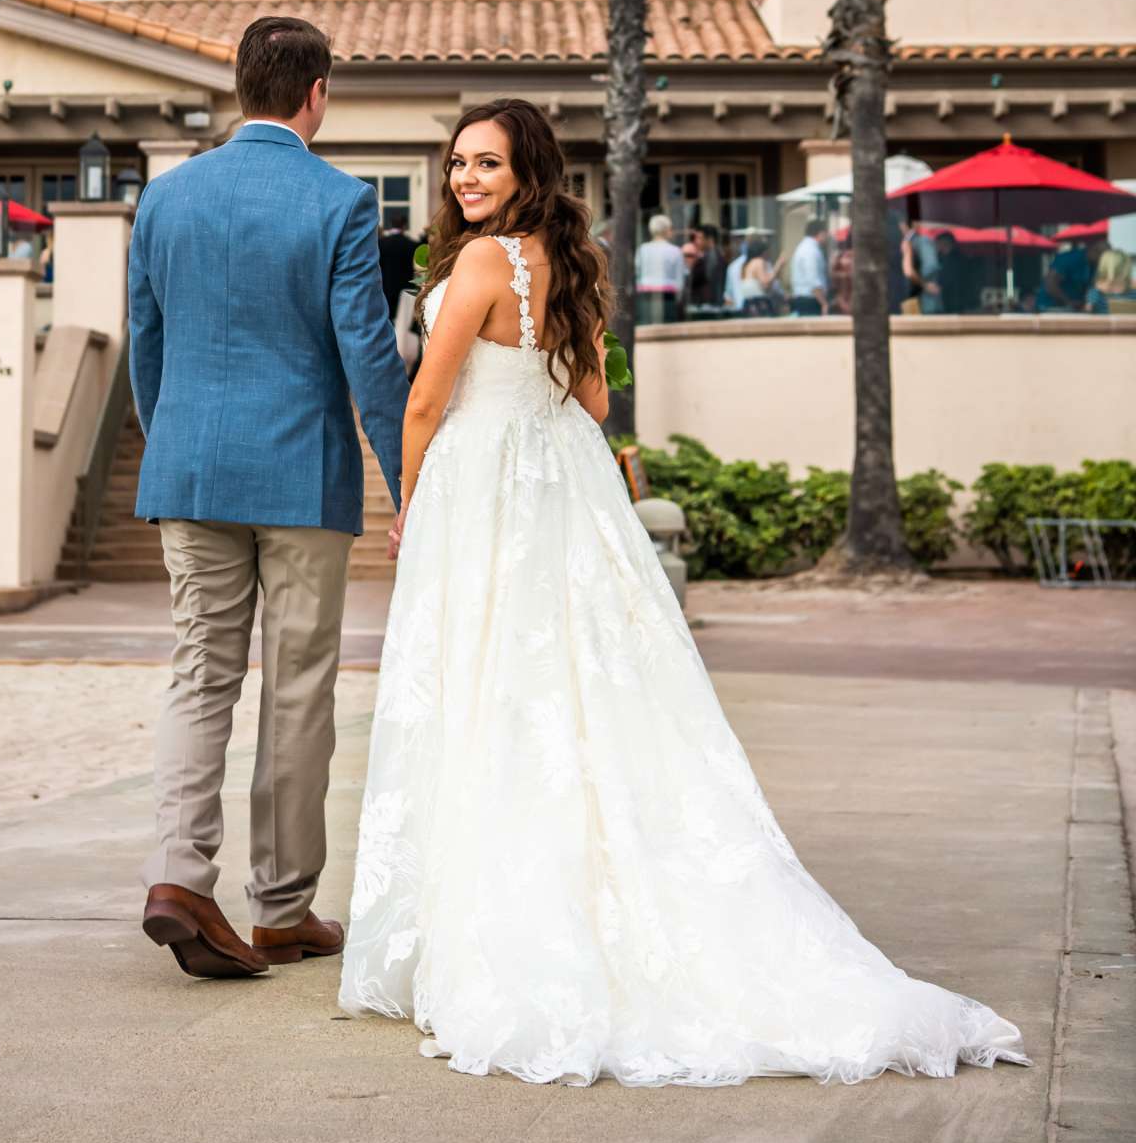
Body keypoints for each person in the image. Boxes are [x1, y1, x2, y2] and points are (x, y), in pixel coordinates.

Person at [339, 99, 1025, 1086]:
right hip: (560, 486)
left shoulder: (481, 265)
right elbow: (594, 400)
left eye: (484, 164)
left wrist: (408, 504)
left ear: (527, 169)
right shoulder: (572, 268)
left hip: (482, 489)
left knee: (487, 680)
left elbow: (426, 397)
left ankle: (501, 923)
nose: (464, 180)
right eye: (456, 164)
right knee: (574, 689)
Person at [129, 15, 408, 981]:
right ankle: (283, 906)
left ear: (240, 87)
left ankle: (177, 876)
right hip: (301, 476)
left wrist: (172, 449)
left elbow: (146, 348)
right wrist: (407, 476)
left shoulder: (164, 201)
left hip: (191, 470)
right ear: (316, 93)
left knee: (201, 670)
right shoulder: (340, 202)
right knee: (296, 687)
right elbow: (368, 353)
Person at [634, 211, 685, 324]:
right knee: (668, 328)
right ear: (667, 230)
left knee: (646, 326)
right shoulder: (675, 251)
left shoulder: (642, 249)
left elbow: (637, 272)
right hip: (668, 295)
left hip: (645, 293)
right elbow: (679, 279)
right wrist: (679, 298)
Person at [788, 217, 829, 316]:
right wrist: (824, 303)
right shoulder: (811, 251)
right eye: (826, 233)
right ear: (820, 233)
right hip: (810, 301)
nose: (827, 236)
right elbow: (813, 280)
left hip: (806, 299)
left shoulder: (804, 247)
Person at [737, 234, 779, 312]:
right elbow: (765, 282)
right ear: (763, 252)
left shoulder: (746, 264)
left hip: (747, 303)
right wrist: (778, 266)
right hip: (758, 303)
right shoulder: (759, 261)